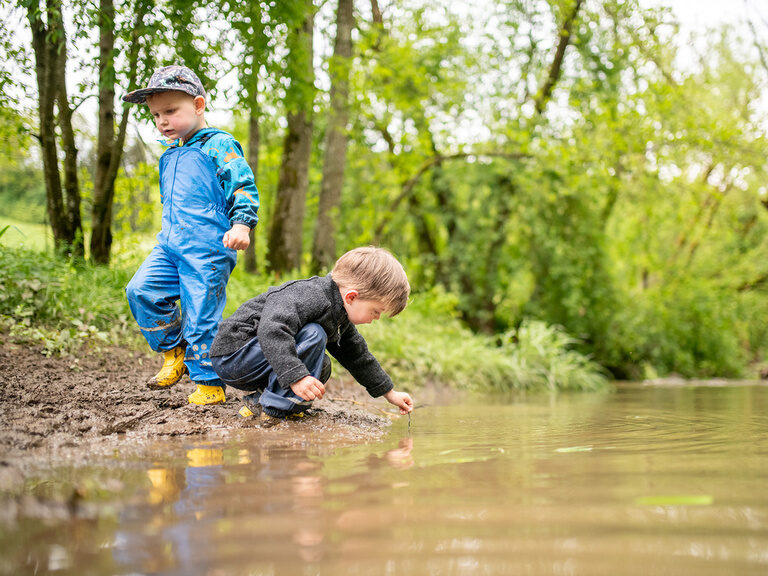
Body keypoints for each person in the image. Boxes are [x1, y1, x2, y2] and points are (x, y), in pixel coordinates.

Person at [122, 65, 259, 406]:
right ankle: (175, 350)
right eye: (155, 114)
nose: (162, 121)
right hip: (170, 245)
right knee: (141, 291)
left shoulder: (219, 145)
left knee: (201, 316)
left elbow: (242, 185)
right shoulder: (169, 154)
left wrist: (241, 224)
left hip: (208, 249)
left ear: (198, 106)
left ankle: (210, 382)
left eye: (170, 111)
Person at [210, 246, 414, 426]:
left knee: (321, 365)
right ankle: (273, 412)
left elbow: (357, 356)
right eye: (376, 311)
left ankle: (260, 402)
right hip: (235, 354)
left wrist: (389, 393)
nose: (376, 318)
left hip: (260, 357)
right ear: (351, 297)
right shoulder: (310, 296)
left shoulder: (339, 313)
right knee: (314, 334)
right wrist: (296, 377)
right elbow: (272, 329)